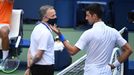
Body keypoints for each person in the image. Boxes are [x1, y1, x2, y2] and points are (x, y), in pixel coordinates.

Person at [50, 3, 133, 75]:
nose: (86, 18)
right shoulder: (114, 32)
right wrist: (114, 65)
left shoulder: (88, 33)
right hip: (107, 72)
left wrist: (60, 35)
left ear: (95, 16)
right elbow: (129, 50)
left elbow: (72, 51)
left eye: (87, 15)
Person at [24, 5, 57, 75]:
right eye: (53, 16)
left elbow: (30, 49)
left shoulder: (36, 28)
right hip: (45, 69)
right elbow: (39, 55)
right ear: (45, 18)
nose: (55, 17)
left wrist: (29, 67)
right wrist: (30, 66)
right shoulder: (45, 33)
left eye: (55, 15)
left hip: (36, 67)